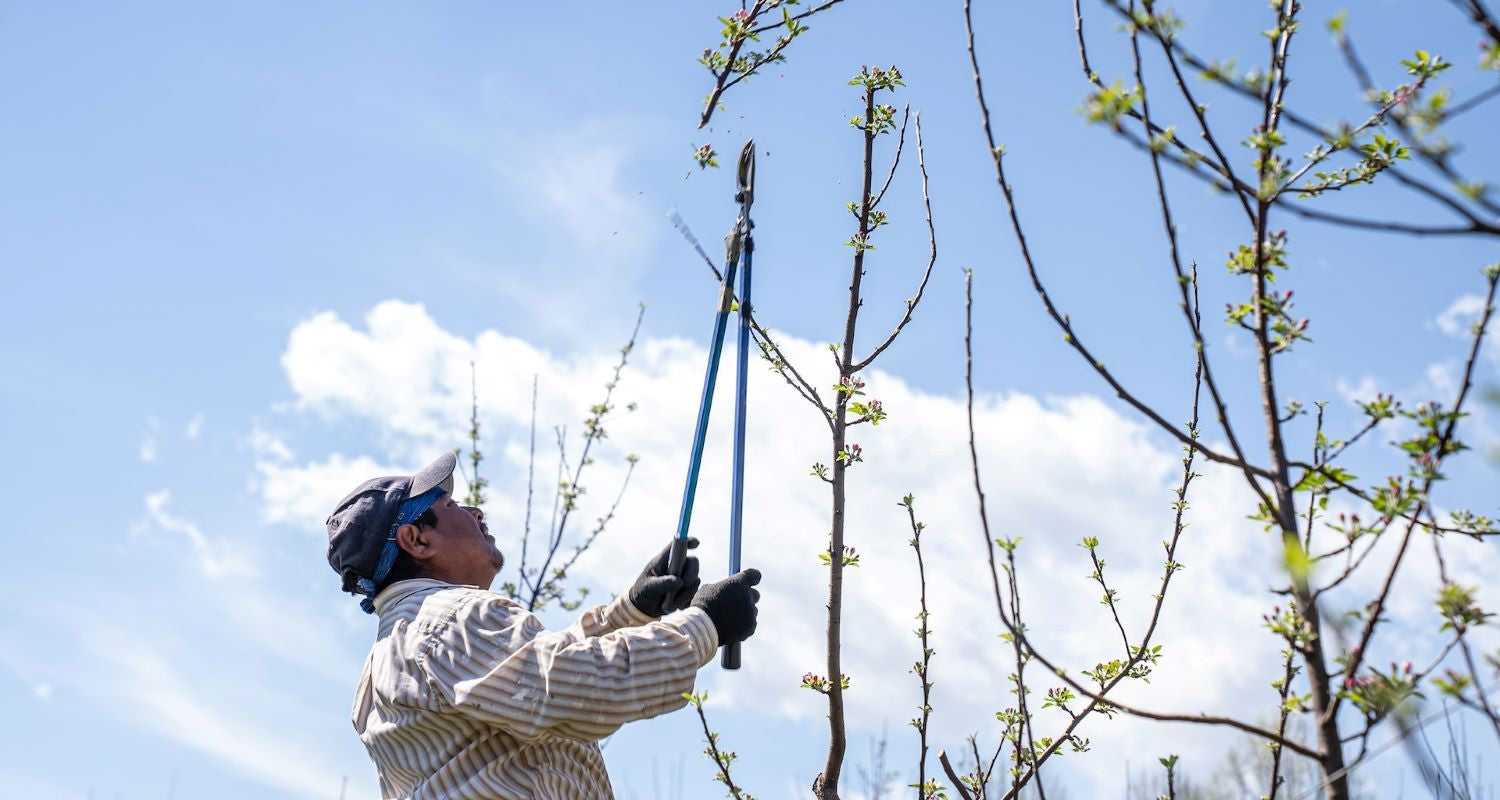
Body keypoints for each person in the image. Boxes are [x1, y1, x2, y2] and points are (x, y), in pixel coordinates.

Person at [326, 452, 763, 799]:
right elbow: (571, 688)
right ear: (416, 540)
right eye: (451, 505)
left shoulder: (392, 657)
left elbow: (523, 687)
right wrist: (705, 625)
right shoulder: (451, 619)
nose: (475, 511)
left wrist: (632, 612)